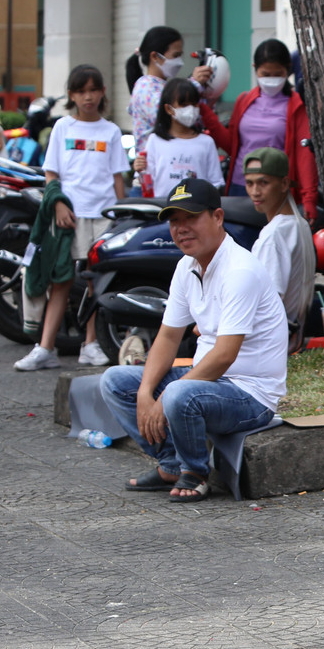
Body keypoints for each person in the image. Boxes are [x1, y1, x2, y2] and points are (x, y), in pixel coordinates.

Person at [99, 179, 287, 501]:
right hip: (206, 383)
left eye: (191, 218)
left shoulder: (240, 270)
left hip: (250, 394)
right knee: (115, 382)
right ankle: (170, 464)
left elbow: (225, 354)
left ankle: (196, 473)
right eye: (174, 221)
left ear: (217, 217)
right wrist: (145, 393)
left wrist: (164, 397)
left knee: (178, 394)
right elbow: (168, 336)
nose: (181, 229)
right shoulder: (186, 266)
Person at [15, 63, 127, 371]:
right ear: (71, 95)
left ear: (103, 92)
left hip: (104, 217)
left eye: (93, 90)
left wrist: (120, 215)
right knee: (59, 279)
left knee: (97, 282)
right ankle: (45, 347)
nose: (88, 97)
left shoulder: (112, 131)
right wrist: (59, 206)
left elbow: (118, 178)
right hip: (69, 217)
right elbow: (52, 175)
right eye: (81, 91)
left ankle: (90, 344)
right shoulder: (62, 128)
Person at [199, 38, 319, 219]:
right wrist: (205, 112)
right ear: (255, 68)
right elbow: (232, 144)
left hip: (274, 189)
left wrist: (308, 198)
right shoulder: (244, 100)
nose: (271, 79)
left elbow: (304, 156)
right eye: (265, 74)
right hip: (241, 185)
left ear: (288, 69)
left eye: (277, 74)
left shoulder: (296, 106)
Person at [243, 148, 316, 352]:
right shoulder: (299, 224)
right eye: (250, 183)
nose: (255, 192)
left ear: (284, 184)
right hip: (288, 339)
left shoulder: (274, 234)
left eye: (263, 183)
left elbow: (265, 303)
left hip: (269, 347)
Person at [125, 26, 212, 170]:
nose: (180, 62)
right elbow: (169, 118)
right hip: (152, 179)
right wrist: (194, 84)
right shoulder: (145, 87)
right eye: (175, 55)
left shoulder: (164, 85)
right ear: (155, 57)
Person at [133, 77, 223, 200]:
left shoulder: (206, 142)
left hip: (197, 210)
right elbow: (148, 180)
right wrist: (140, 169)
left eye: (194, 104)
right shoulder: (155, 140)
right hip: (164, 210)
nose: (190, 109)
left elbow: (216, 182)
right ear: (169, 109)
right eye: (184, 105)